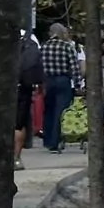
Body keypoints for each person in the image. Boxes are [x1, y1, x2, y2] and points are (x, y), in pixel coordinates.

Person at [40, 24, 79, 153]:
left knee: (48, 111)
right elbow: (74, 68)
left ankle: (48, 140)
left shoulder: (44, 47)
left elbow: (39, 66)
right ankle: (56, 141)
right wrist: (78, 84)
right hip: (63, 80)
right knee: (61, 111)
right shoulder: (67, 47)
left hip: (48, 81)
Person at [15, 28, 44, 170]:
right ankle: (16, 158)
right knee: (19, 124)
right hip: (23, 87)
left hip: (1, 87)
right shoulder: (30, 39)